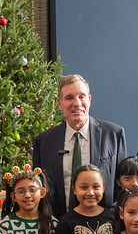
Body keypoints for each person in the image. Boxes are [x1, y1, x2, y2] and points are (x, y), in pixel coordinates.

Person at [33, 74, 127, 219]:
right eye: (69, 97)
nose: (77, 103)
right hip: (58, 227)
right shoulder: (43, 142)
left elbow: (121, 185)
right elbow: (39, 190)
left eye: (81, 96)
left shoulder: (114, 135)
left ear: (89, 100)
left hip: (104, 227)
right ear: (60, 103)